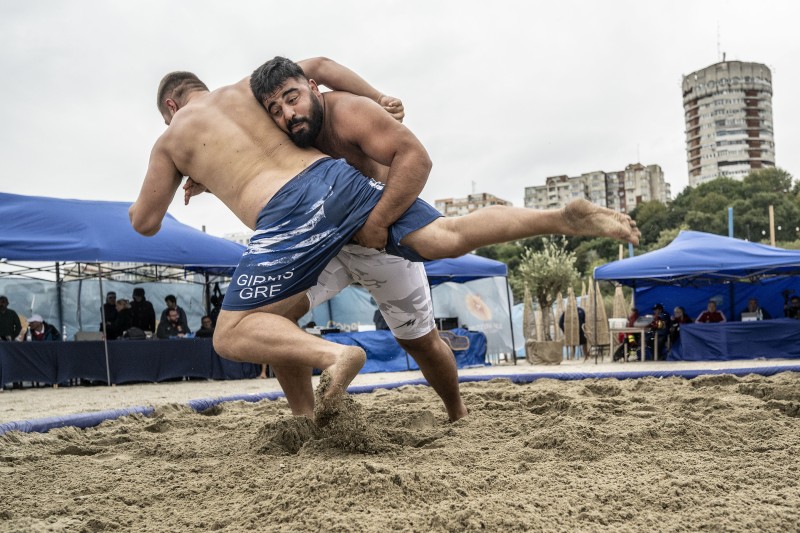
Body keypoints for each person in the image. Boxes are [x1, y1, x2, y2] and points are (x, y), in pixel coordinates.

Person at [130, 59, 639, 422]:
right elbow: (321, 65)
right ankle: (558, 217)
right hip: (338, 191)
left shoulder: (174, 135)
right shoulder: (249, 93)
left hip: (299, 219)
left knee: (234, 332)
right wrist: (377, 95)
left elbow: (145, 222)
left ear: (171, 105)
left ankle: (340, 360)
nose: (285, 111)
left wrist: (177, 168)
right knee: (446, 236)